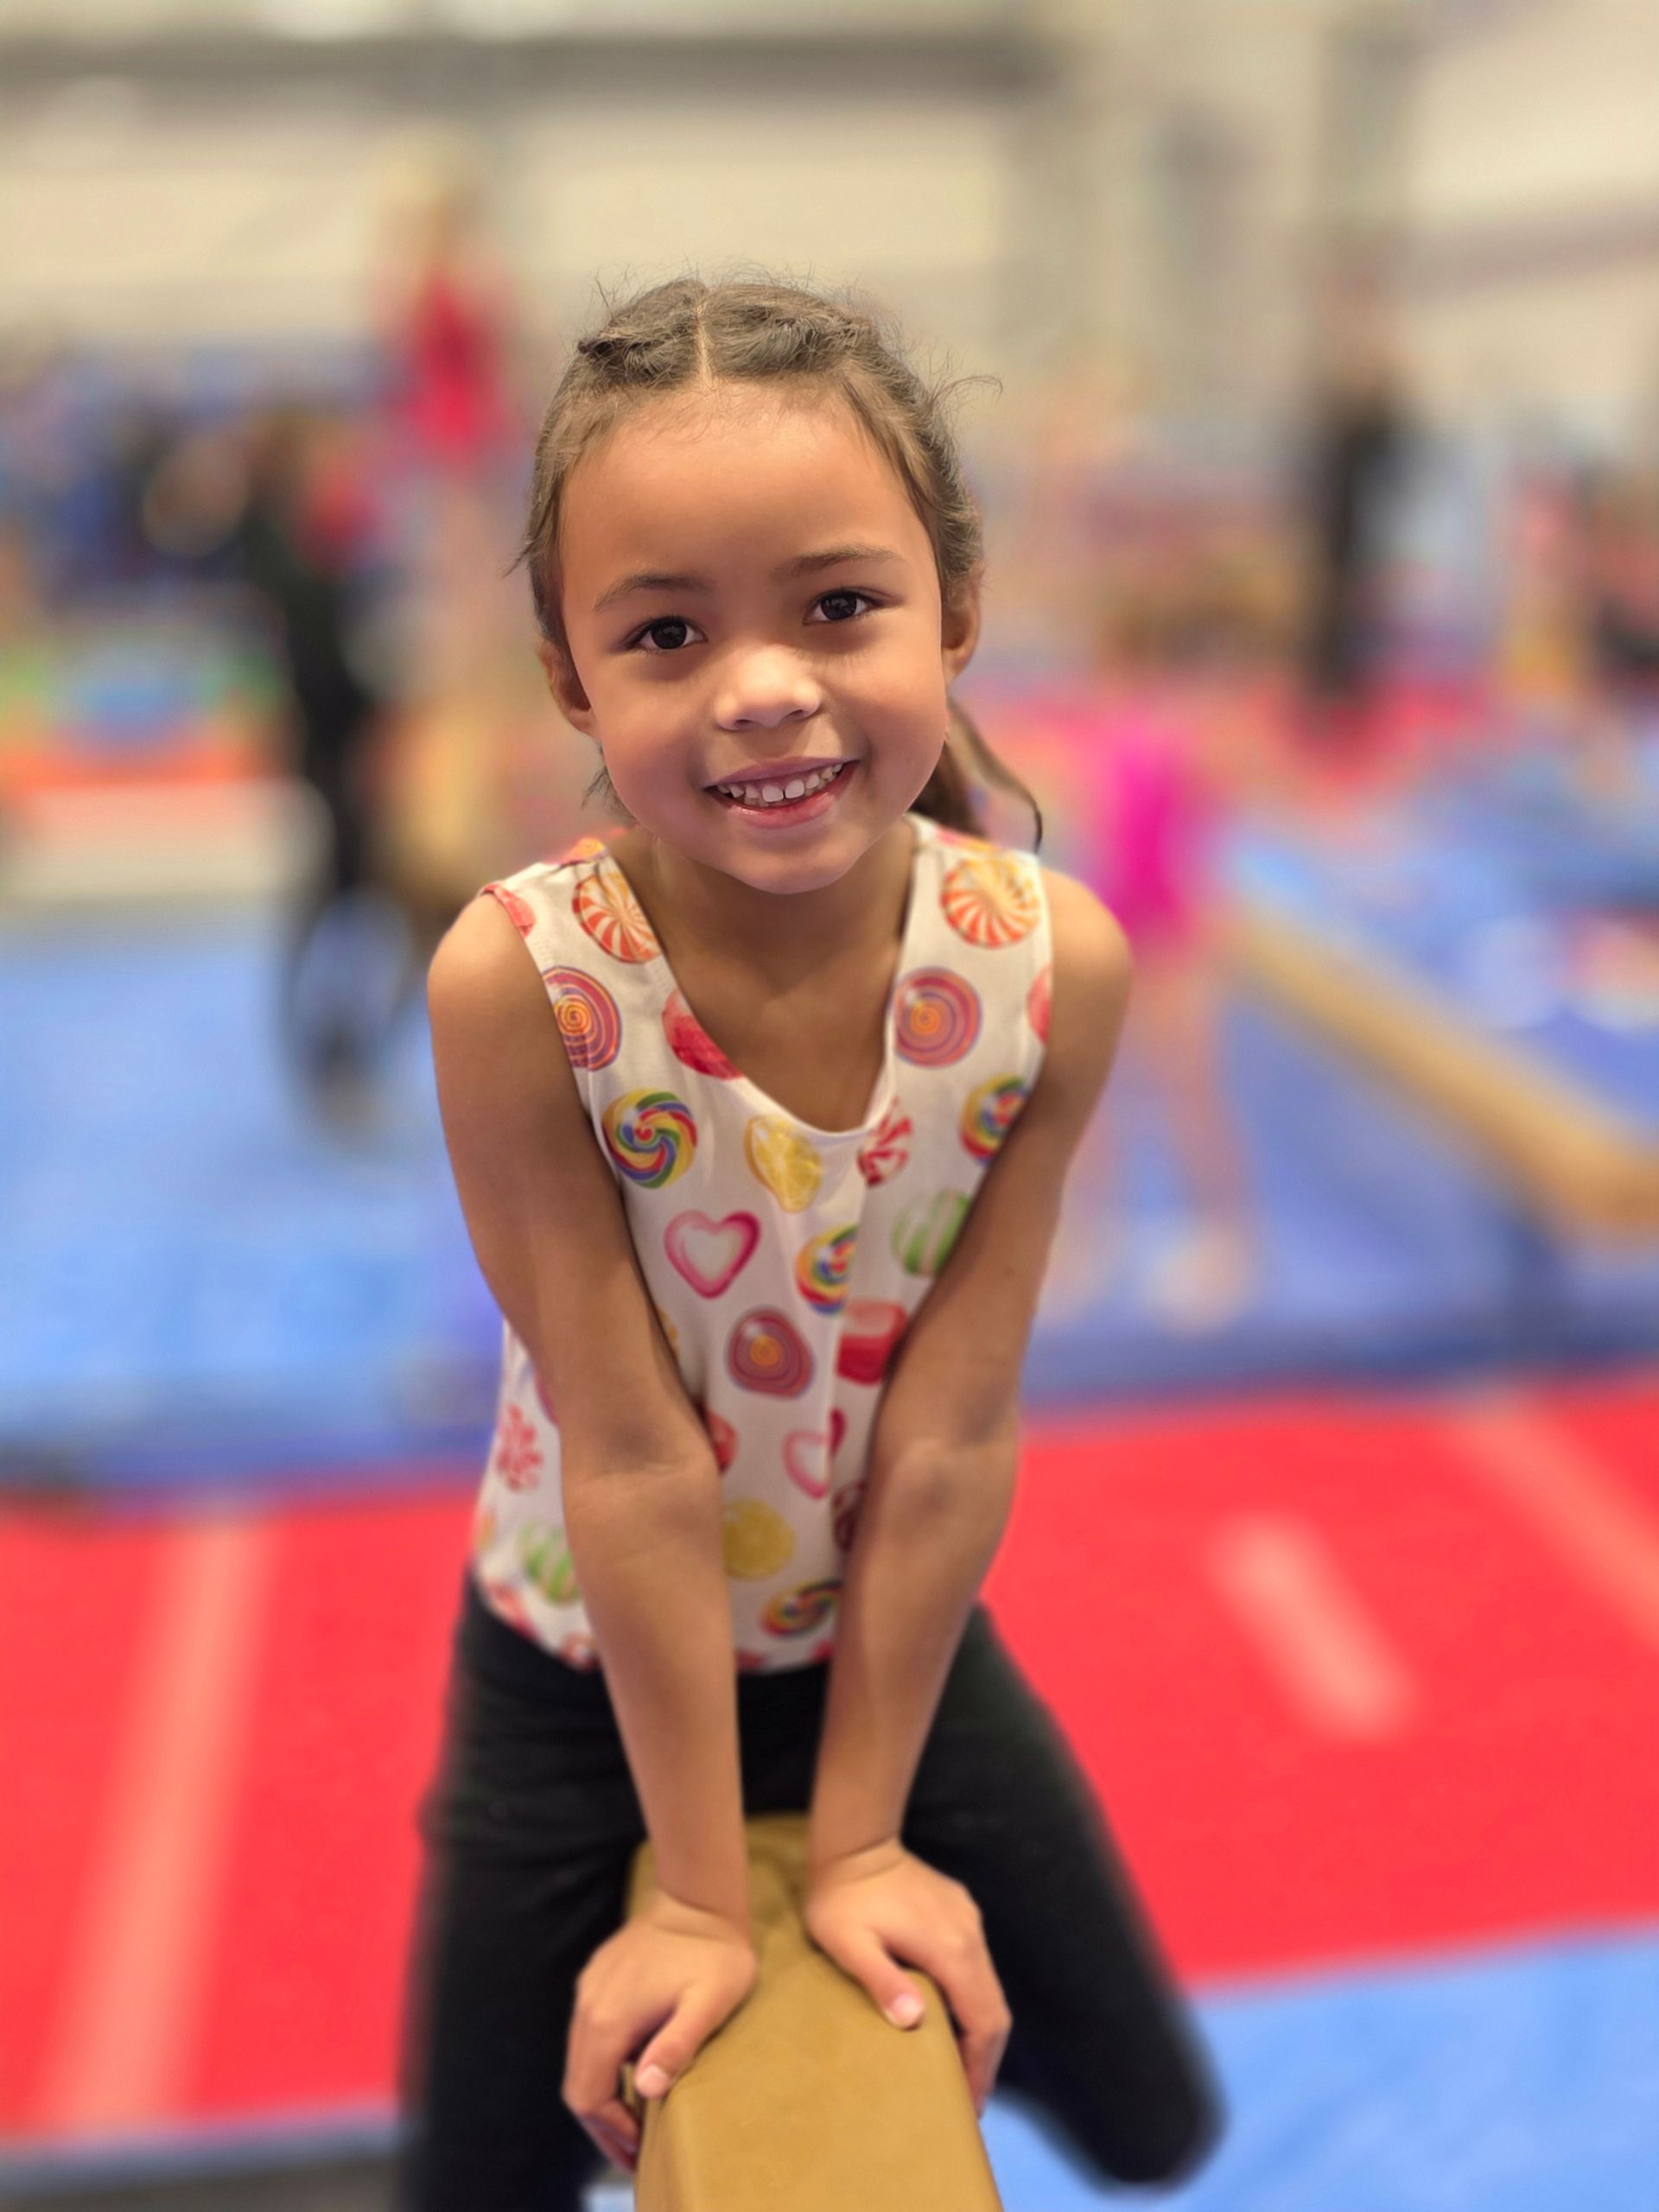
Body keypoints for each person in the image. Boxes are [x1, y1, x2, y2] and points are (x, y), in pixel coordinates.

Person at [397, 276, 1224, 2211]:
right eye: (667, 633)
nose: (761, 684)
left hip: (878, 1624)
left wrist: (856, 1840)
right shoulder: (528, 986)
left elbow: (947, 1433)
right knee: (477, 2187)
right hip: (578, 1652)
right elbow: (629, 1458)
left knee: (1156, 2119)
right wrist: (698, 1893)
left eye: (840, 606)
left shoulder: (1045, 968)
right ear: (571, 679)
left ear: (958, 608)